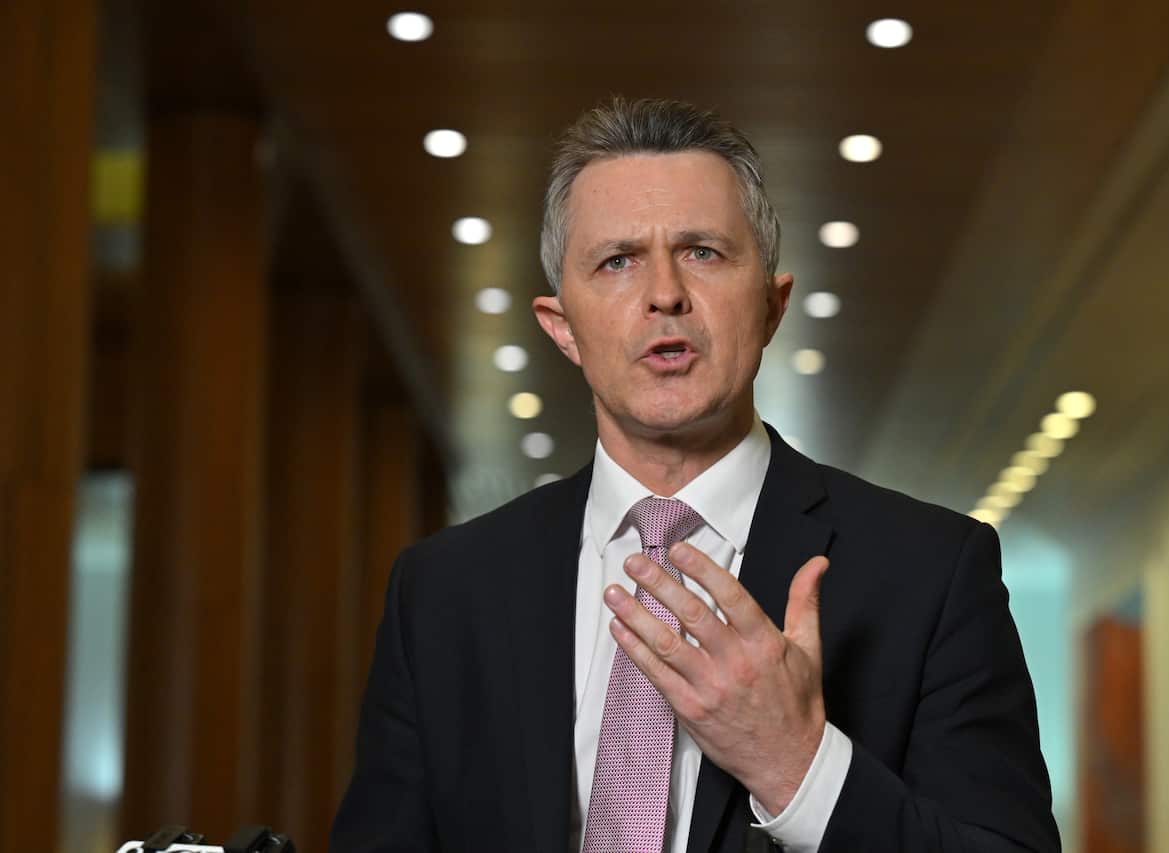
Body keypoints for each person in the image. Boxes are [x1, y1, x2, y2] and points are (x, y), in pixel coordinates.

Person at [331, 97, 1061, 853]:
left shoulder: (932, 573)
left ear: (773, 305)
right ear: (562, 328)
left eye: (704, 251)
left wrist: (799, 769)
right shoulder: (443, 592)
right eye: (617, 261)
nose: (664, 293)